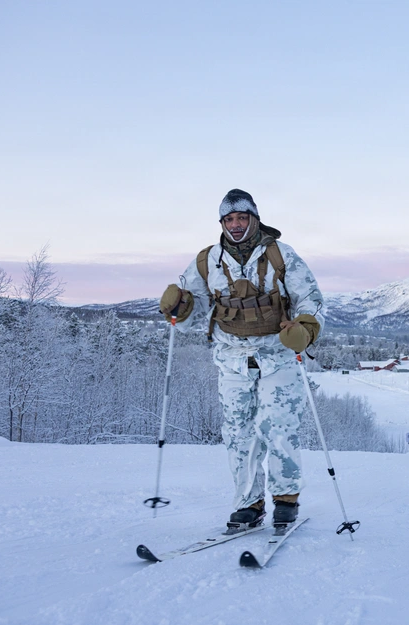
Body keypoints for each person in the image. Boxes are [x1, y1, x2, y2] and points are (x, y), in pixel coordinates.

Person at [159, 189, 325, 532]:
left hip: (277, 356)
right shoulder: (207, 261)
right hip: (231, 358)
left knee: (279, 427)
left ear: (254, 218)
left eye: (242, 217)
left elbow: (310, 298)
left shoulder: (281, 254)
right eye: (229, 219)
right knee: (238, 433)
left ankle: (286, 500)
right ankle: (249, 503)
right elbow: (192, 312)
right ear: (222, 222)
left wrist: (305, 328)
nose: (235, 224)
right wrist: (179, 307)